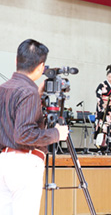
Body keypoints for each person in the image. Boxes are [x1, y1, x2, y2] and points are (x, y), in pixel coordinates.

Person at [0, 39, 69, 215]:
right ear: (41, 67)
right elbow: (24, 135)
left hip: (4, 161)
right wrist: (56, 133)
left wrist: (36, 95)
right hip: (25, 164)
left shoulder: (4, 89)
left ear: (16, 61)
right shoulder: (28, 92)